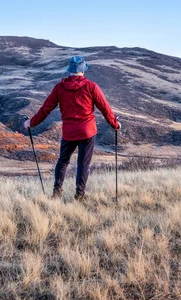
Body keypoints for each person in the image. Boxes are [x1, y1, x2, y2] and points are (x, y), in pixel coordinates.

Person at [24, 56, 120, 200]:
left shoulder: (59, 87)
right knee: (83, 164)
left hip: (69, 132)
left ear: (69, 70)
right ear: (83, 70)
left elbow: (45, 109)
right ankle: (79, 196)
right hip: (87, 131)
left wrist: (31, 122)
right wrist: (115, 124)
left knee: (63, 161)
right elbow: (105, 108)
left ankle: (56, 193)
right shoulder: (91, 86)